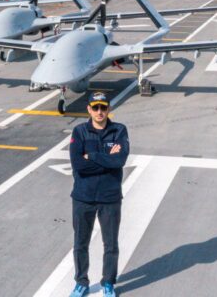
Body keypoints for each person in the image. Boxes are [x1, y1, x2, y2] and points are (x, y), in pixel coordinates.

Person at [69, 93, 129, 297]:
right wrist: (106, 159)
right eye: (95, 107)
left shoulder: (119, 130)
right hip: (83, 197)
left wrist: (92, 156)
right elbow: (78, 164)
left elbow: (119, 161)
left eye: (103, 107)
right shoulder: (79, 131)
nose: (99, 111)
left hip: (109, 198)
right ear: (89, 109)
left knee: (111, 244)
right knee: (80, 243)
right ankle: (81, 282)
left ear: (108, 109)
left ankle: (108, 282)